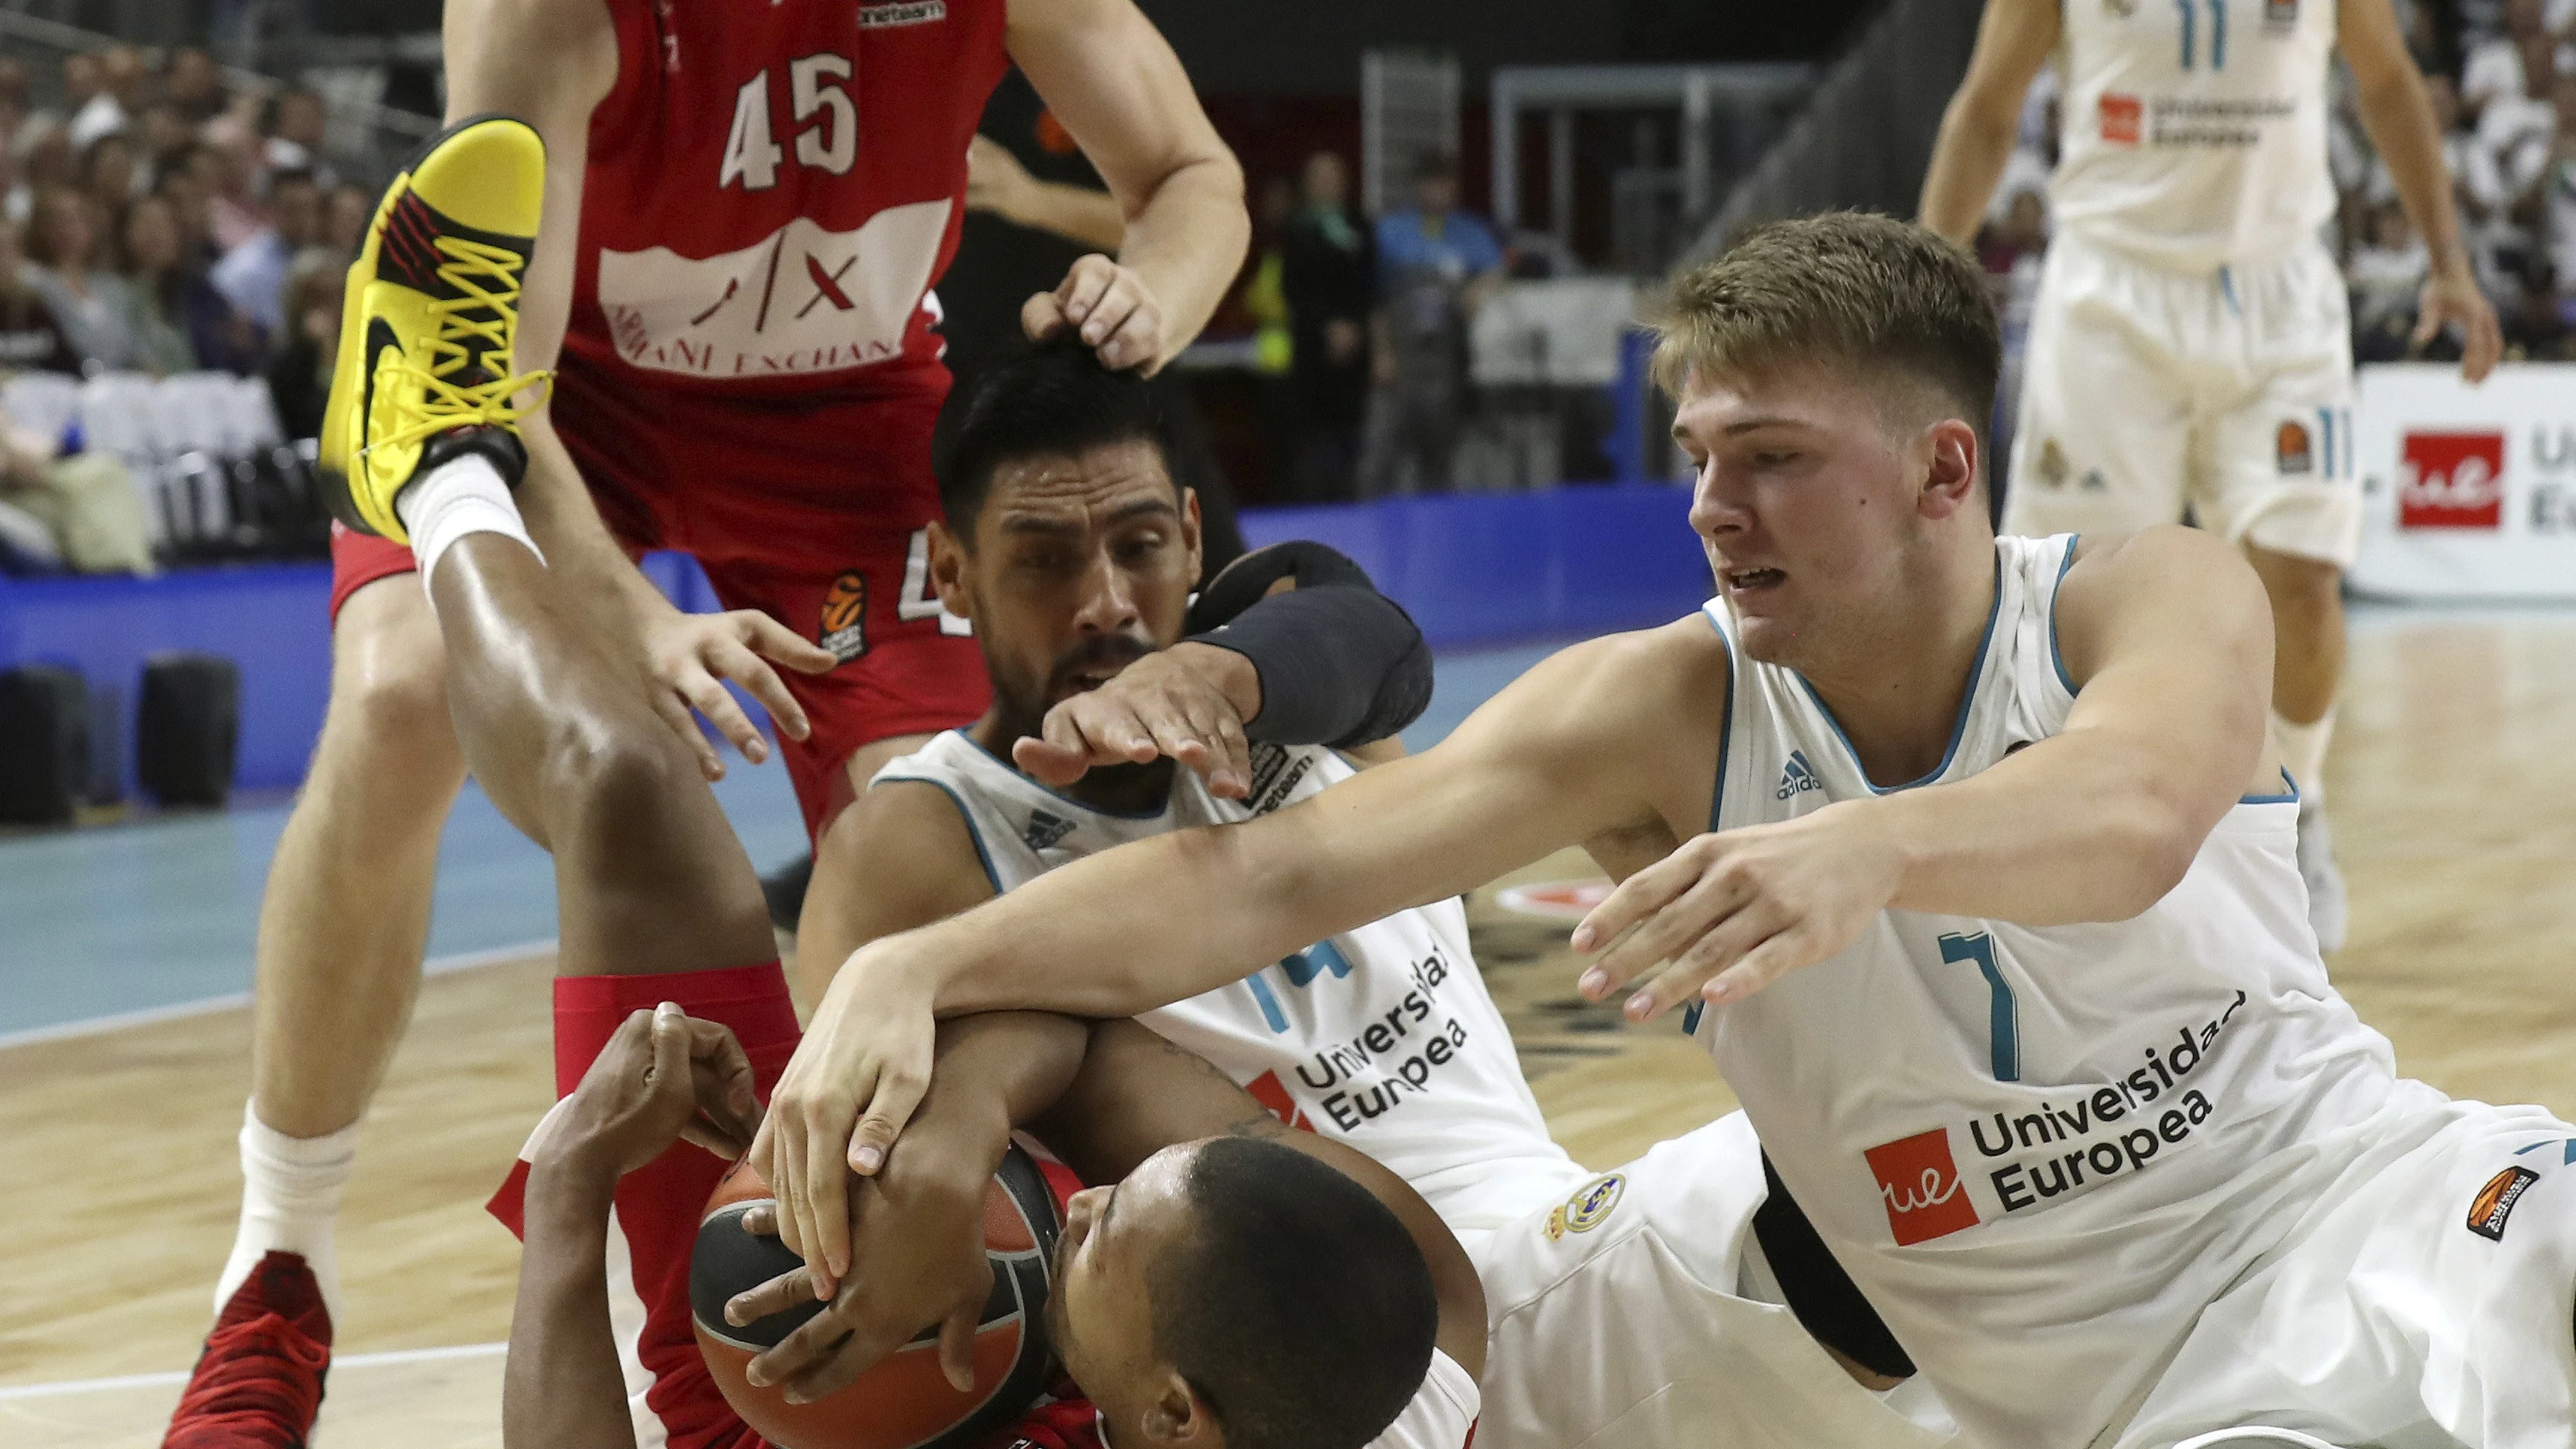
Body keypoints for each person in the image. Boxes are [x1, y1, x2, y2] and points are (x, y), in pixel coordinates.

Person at [759, 214, 2576, 1449]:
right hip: (2116, 1399)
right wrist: (917, 966)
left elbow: (2140, 809)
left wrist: (1871, 845)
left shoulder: (2137, 592)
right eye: (1700, 452)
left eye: (1771, 455)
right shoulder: (1661, 706)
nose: (1712, 504)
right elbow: (1278, 876)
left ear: (1947, 469)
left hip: (2371, 1199)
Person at [168, 0, 1251, 1431]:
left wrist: (1150, 295)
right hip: (558, 401)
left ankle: (1007, 1300)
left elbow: (1193, 174)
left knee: (945, 834)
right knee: (403, 690)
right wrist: (634, 619)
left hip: (850, 415)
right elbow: (505, 362)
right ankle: (276, 1266)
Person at [767, 342, 1960, 1449]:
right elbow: (887, 1164)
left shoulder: (1291, 680)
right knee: (1892, 1221)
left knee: (1918, 1186)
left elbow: (1371, 629)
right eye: (1044, 561)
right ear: (952, 573)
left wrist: (1225, 668)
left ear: (1192, 536)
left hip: (1539, 1245)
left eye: (1137, 546)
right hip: (1311, 1359)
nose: (1104, 603)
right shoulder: (916, 837)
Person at [1917, 0, 2506, 952]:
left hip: (2278, 297)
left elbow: (2389, 83)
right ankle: (2067, 848)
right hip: (2112, 293)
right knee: (2068, 594)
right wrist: (1923, 291)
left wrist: (2448, 259)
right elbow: (1987, 107)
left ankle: (2297, 806)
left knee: (2305, 582)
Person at [501, 1003, 1483, 1449]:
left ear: (1178, 1415)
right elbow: (1073, 1028)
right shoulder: (1426, 1317)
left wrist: (571, 1185)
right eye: (1118, 1187)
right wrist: (953, 1136)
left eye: (1099, 1241)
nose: (1082, 1198)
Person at [1358, 155, 1503, 497]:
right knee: (1380, 455)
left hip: (1444, 362)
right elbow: (1374, 299)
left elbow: (1499, 268)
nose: (1438, 191)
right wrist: (1382, 354)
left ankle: (1436, 538)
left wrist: (1481, 287)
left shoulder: (1470, 233)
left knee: (1439, 458)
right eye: (1431, 183)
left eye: (1445, 183)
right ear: (1417, 187)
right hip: (1399, 359)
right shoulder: (1391, 232)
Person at [1279, 150, 1374, 501]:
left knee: (1352, 440)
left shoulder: (1360, 226)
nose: (1327, 184)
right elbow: (1292, 290)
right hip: (1311, 353)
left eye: (1333, 177)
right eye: (1319, 178)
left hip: (1354, 355)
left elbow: (1370, 287)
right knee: (1313, 445)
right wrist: (1327, 328)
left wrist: (1355, 329)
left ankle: (1350, 507)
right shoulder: (1295, 229)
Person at [24, 186, 139, 372]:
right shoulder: (32, 281)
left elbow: (133, 347)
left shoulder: (111, 286)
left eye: (76, 220)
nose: (67, 229)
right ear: (41, 228)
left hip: (121, 385)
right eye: (58, 221)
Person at [209, 165, 319, 337]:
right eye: (293, 209)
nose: (304, 219)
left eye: (310, 209)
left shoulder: (324, 260)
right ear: (272, 209)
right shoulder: (244, 270)